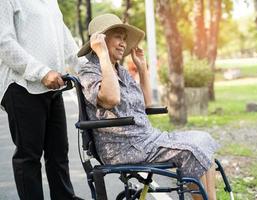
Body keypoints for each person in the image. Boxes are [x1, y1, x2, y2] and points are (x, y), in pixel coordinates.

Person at [78, 13, 219, 200]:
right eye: (118, 37)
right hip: (122, 147)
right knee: (191, 151)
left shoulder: (120, 70)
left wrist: (142, 68)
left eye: (124, 38)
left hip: (144, 140)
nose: (123, 43)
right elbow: (111, 99)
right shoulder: (90, 71)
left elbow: (146, 104)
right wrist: (103, 54)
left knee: (203, 140)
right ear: (100, 40)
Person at [0, 1, 86, 200]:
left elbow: (65, 40)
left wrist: (87, 71)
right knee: (28, 157)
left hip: (54, 86)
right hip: (21, 85)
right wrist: (42, 72)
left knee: (58, 153)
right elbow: (4, 42)